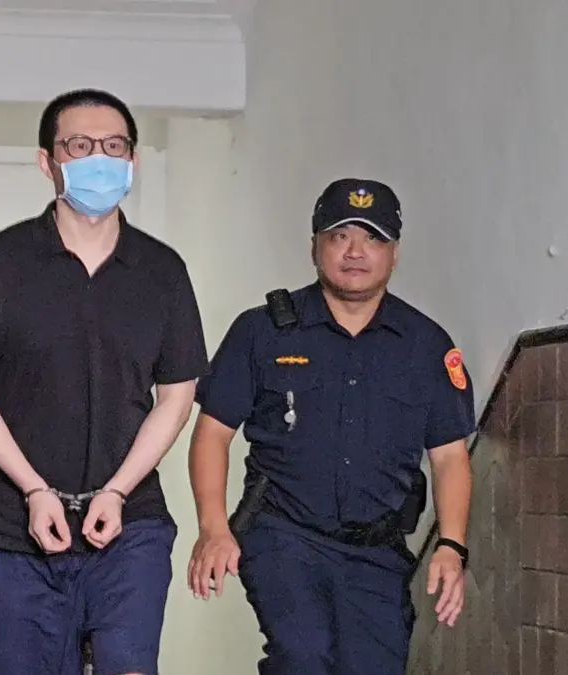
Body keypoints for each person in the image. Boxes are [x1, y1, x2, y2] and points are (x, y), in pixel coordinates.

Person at [0, 88, 208, 675]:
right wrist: (33, 490)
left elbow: (177, 396)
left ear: (133, 160)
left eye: (114, 146)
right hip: (17, 527)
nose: (99, 159)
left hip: (130, 523)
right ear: (48, 161)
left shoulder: (162, 271)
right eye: (80, 146)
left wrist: (117, 490)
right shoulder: (0, 262)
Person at [185, 178, 474, 675]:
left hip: (376, 551)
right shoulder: (263, 331)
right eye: (340, 236)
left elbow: (449, 456)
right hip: (284, 534)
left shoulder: (425, 345)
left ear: (394, 253)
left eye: (373, 238)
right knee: (303, 654)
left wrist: (451, 544)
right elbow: (213, 432)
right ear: (315, 246)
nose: (355, 252)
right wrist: (213, 528)